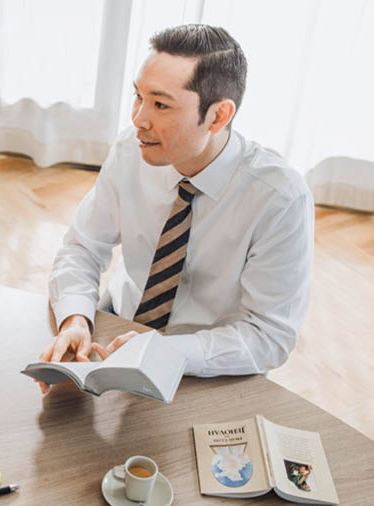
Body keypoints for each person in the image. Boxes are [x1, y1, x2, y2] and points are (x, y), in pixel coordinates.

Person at [41, 24, 314, 384]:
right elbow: (82, 248)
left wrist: (170, 351)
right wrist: (76, 318)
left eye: (160, 105)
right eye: (137, 97)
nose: (138, 120)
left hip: (210, 363)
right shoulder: (130, 152)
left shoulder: (280, 198)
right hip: (118, 324)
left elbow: (270, 336)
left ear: (218, 116)